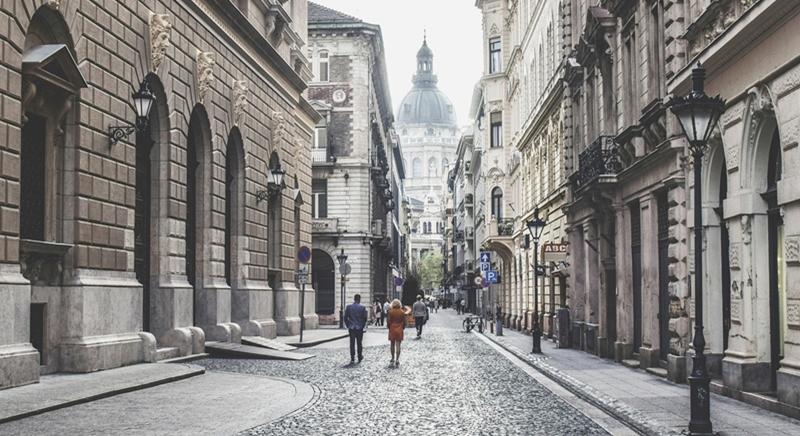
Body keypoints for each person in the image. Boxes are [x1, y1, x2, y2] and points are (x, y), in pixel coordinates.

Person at [344, 294, 368, 363]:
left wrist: (348, 325)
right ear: (359, 299)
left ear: (354, 299)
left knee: (352, 343)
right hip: (359, 328)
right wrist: (362, 326)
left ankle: (352, 358)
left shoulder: (349, 307)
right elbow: (365, 318)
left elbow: (345, 318)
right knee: (359, 343)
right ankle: (359, 356)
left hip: (351, 327)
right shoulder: (362, 307)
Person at [387, 299, 406, 366]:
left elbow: (388, 321)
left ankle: (392, 358)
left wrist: (389, 327)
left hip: (392, 328)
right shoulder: (402, 312)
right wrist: (402, 328)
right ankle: (397, 359)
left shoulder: (390, 312)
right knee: (398, 345)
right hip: (399, 328)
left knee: (392, 344)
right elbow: (404, 322)